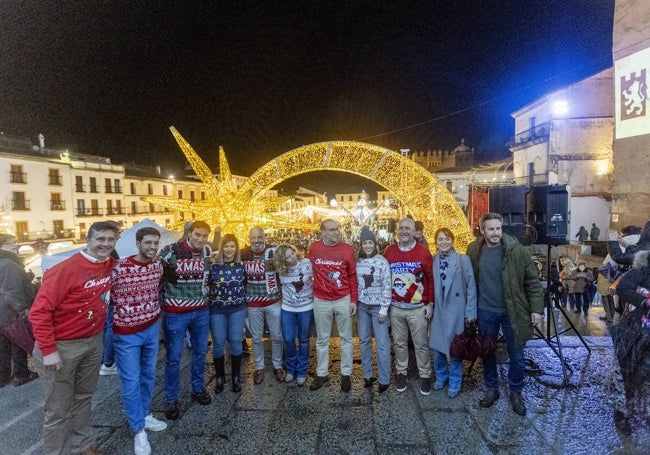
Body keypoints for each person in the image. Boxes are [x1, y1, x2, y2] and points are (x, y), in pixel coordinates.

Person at [29, 221, 119, 455]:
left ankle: (83, 446)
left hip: (92, 341)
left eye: (110, 239)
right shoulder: (64, 270)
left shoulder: (110, 264)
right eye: (100, 239)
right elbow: (39, 312)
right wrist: (49, 350)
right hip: (62, 345)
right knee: (57, 409)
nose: (105, 244)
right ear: (88, 240)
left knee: (84, 398)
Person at [466, 212, 544, 416]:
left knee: (517, 356)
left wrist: (536, 309)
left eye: (498, 228)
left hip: (513, 311)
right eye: (490, 229)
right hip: (485, 311)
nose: (495, 233)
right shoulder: (474, 249)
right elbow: (470, 280)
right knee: (487, 352)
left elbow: (532, 282)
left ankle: (515, 392)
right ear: (482, 230)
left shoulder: (516, 250)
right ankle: (492, 389)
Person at [111, 227, 167, 455]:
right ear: (137, 243)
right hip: (126, 333)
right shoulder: (120, 267)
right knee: (131, 381)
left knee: (148, 375)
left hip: (151, 327)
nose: (152, 247)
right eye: (148, 243)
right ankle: (138, 430)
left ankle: (144, 414)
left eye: (155, 243)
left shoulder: (158, 265)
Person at [160, 220, 213, 420]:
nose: (200, 239)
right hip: (176, 312)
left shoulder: (207, 252)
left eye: (204, 236)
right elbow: (156, 274)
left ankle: (197, 388)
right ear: (189, 233)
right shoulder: (170, 251)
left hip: (201, 310)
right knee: (173, 358)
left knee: (200, 352)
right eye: (197, 235)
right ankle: (171, 399)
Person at [383, 217, 434, 395]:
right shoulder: (389, 251)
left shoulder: (423, 252)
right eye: (401, 228)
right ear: (397, 230)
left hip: (418, 307)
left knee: (421, 344)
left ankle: (425, 375)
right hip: (396, 307)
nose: (404, 231)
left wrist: (429, 302)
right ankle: (401, 372)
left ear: (414, 231)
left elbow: (430, 279)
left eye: (408, 228)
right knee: (399, 343)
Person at [307, 219, 358, 392]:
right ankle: (321, 373)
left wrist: (353, 300)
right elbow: (307, 269)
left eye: (337, 229)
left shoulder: (347, 249)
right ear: (323, 232)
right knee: (322, 339)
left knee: (346, 338)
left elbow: (352, 275)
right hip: (321, 299)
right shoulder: (314, 248)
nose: (336, 232)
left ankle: (346, 373)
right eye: (332, 229)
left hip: (343, 297)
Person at [428, 227, 477, 398]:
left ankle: (455, 381)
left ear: (452, 241)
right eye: (440, 239)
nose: (444, 242)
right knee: (439, 348)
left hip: (457, 311)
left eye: (447, 238)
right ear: (436, 243)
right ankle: (441, 377)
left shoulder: (463, 260)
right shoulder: (433, 260)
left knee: (456, 348)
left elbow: (471, 287)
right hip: (439, 311)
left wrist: (470, 313)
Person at [608, 249, 650, 434]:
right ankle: (622, 412)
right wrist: (644, 301)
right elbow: (623, 288)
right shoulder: (641, 271)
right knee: (627, 371)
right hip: (636, 332)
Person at [241, 227, 285, 384]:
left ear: (264, 237)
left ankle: (278, 365)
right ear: (249, 238)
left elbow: (284, 270)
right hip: (253, 303)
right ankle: (259, 367)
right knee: (256, 338)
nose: (256, 240)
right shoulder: (243, 254)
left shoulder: (274, 251)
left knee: (277, 336)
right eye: (253, 237)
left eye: (259, 237)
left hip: (273, 301)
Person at [205, 234, 246, 394]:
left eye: (232, 246)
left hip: (237, 308)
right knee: (218, 343)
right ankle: (220, 377)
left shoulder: (241, 266)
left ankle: (236, 377)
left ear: (236, 248)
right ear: (221, 248)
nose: (229, 250)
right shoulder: (213, 266)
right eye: (226, 246)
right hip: (217, 310)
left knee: (236, 341)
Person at [355, 226, 392, 393]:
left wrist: (384, 308)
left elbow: (386, 285)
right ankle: (367, 375)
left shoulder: (382, 262)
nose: (368, 246)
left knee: (382, 343)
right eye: (365, 243)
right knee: (363, 341)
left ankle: (384, 378)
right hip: (363, 306)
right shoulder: (358, 262)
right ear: (361, 245)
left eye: (370, 242)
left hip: (378, 307)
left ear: (375, 244)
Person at [0, 234, 38, 388]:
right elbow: (13, 290)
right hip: (10, 311)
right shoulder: (8, 263)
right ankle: (21, 375)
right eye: (9, 243)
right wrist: (22, 309)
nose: (14, 245)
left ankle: (3, 377)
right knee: (18, 341)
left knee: (3, 345)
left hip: (2, 312)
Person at [274, 243, 314, 386]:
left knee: (304, 340)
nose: (292, 257)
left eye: (292, 253)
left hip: (306, 307)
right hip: (288, 308)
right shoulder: (281, 270)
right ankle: (291, 369)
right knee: (288, 339)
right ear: (282, 260)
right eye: (288, 257)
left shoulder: (307, 263)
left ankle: (302, 370)